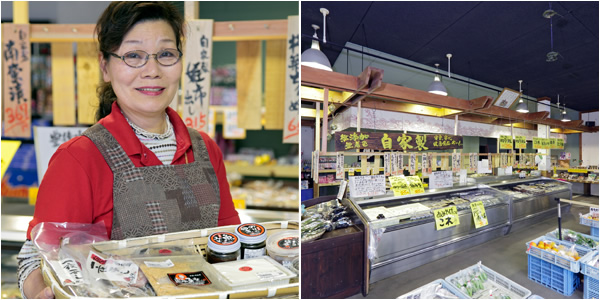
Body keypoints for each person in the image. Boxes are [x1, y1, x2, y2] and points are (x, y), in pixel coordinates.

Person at [17, 2, 240, 298]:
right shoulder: (79, 158)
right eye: (133, 55)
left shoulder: (205, 149)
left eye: (166, 54)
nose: (152, 70)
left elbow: (227, 242)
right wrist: (38, 291)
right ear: (105, 66)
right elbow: (37, 255)